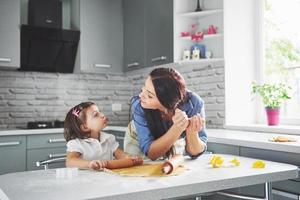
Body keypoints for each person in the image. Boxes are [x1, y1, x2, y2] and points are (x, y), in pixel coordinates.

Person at [124, 67, 207, 161]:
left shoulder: (194, 103)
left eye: (150, 96)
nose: (141, 95)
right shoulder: (138, 105)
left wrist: (192, 132)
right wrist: (178, 127)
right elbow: (151, 154)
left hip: (170, 144)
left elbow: (195, 153)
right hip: (137, 140)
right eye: (144, 88)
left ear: (166, 102)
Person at [64, 102, 139, 170]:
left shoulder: (108, 139)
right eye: (96, 115)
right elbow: (70, 161)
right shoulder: (77, 143)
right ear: (85, 127)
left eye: (100, 112)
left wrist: (131, 158)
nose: (102, 115)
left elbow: (121, 155)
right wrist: (89, 164)